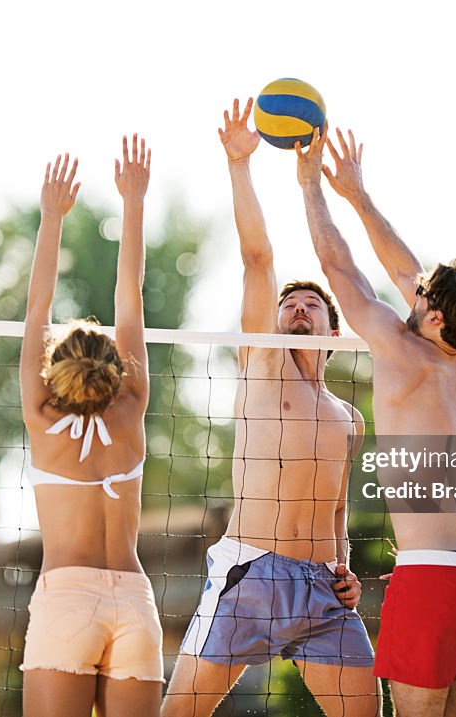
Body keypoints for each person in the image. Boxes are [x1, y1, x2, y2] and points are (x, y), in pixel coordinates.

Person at [163, 100, 380, 717]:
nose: (298, 310)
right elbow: (257, 258)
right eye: (290, 305)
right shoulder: (262, 366)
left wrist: (343, 568)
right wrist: (239, 166)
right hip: (248, 575)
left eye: (312, 305)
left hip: (321, 593)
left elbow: (337, 505)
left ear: (335, 334)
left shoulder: (347, 418)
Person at [295, 126, 456, 717]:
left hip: (434, 579)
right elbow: (407, 271)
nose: (412, 292)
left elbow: (338, 266)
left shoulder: (399, 348)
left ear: (436, 316)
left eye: (423, 296)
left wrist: (312, 183)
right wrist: (359, 196)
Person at [18, 138, 162, 717]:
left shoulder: (41, 416)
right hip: (134, 602)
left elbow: (36, 308)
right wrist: (134, 202)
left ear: (57, 368)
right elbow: (131, 300)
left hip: (66, 600)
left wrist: (51, 217)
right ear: (115, 368)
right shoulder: (132, 406)